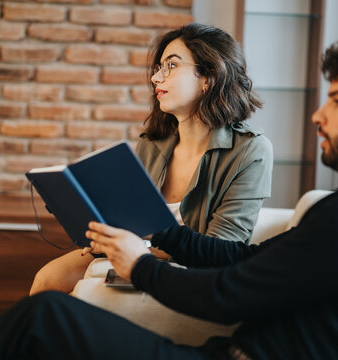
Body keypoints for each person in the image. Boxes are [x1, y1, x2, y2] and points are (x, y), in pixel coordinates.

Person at [0, 37, 338, 360]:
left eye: (337, 101)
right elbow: (246, 260)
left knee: (45, 319)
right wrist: (164, 233)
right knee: (46, 314)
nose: (318, 116)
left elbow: (229, 296)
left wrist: (140, 266)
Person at [29, 23, 272, 295]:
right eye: (158, 68)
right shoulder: (153, 143)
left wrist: (132, 242)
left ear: (208, 77)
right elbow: (129, 219)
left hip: (188, 272)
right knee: (47, 278)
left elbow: (222, 249)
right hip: (131, 253)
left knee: (86, 294)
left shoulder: (251, 150)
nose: (157, 78)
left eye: (171, 65)